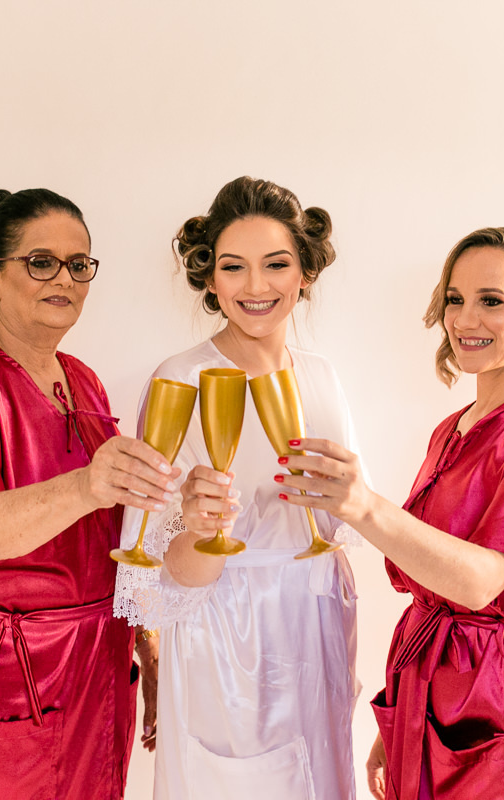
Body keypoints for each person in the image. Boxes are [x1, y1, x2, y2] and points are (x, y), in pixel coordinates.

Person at [278, 227, 504, 799]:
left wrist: (363, 505)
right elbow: (434, 577)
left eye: (492, 301)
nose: (464, 318)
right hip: (435, 697)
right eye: (455, 299)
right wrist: (403, 714)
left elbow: (480, 583)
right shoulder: (452, 428)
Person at [0, 188, 176, 800]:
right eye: (41, 262)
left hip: (93, 670)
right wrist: (86, 484)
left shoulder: (83, 380)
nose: (63, 279)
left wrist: (145, 641)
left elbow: (109, 538)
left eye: (78, 264)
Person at [113, 177, 361, 799]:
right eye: (233, 267)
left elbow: (345, 526)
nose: (255, 286)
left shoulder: (323, 378)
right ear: (210, 278)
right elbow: (157, 579)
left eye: (276, 264)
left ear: (304, 272)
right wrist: (202, 529)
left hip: (319, 634)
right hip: (227, 649)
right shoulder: (182, 380)